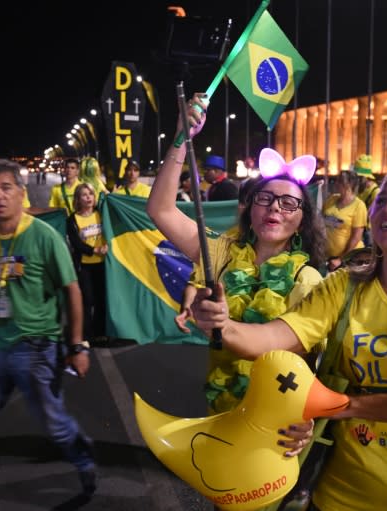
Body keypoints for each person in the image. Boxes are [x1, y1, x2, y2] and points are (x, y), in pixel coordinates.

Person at [191, 164, 387, 511]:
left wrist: (345, 405)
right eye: (381, 200)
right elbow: (276, 337)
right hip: (347, 490)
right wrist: (223, 324)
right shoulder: (343, 285)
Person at [148, 93, 326, 434]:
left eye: (289, 203)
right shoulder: (222, 252)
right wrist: (181, 139)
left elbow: (313, 362)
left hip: (280, 418)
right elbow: (161, 209)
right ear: (250, 207)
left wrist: (311, 420)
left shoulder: (310, 280)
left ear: (303, 221)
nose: (275, 208)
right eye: (266, 198)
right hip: (225, 403)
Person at [0, 159, 96, 511]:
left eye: (6, 188)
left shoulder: (43, 236)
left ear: (21, 193)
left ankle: (81, 455)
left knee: (54, 425)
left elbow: (72, 289)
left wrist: (77, 345)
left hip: (35, 348)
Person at [66, 183, 108, 344]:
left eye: (90, 194)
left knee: (101, 299)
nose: (88, 197)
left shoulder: (101, 214)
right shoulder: (72, 220)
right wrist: (95, 250)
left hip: (103, 264)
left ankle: (101, 333)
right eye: (84, 195)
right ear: (78, 199)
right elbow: (76, 243)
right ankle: (86, 335)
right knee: (87, 300)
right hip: (85, 266)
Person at [322, 170, 367, 273]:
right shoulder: (331, 200)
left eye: (339, 181)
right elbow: (322, 224)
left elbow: (356, 237)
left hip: (349, 259)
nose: (336, 183)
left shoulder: (359, 206)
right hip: (329, 257)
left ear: (348, 184)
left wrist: (340, 259)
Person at [353, 154, 380, 247]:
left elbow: (373, 213)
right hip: (358, 227)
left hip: (367, 232)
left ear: (366, 177)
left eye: (360, 177)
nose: (357, 179)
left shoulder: (375, 192)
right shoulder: (360, 188)